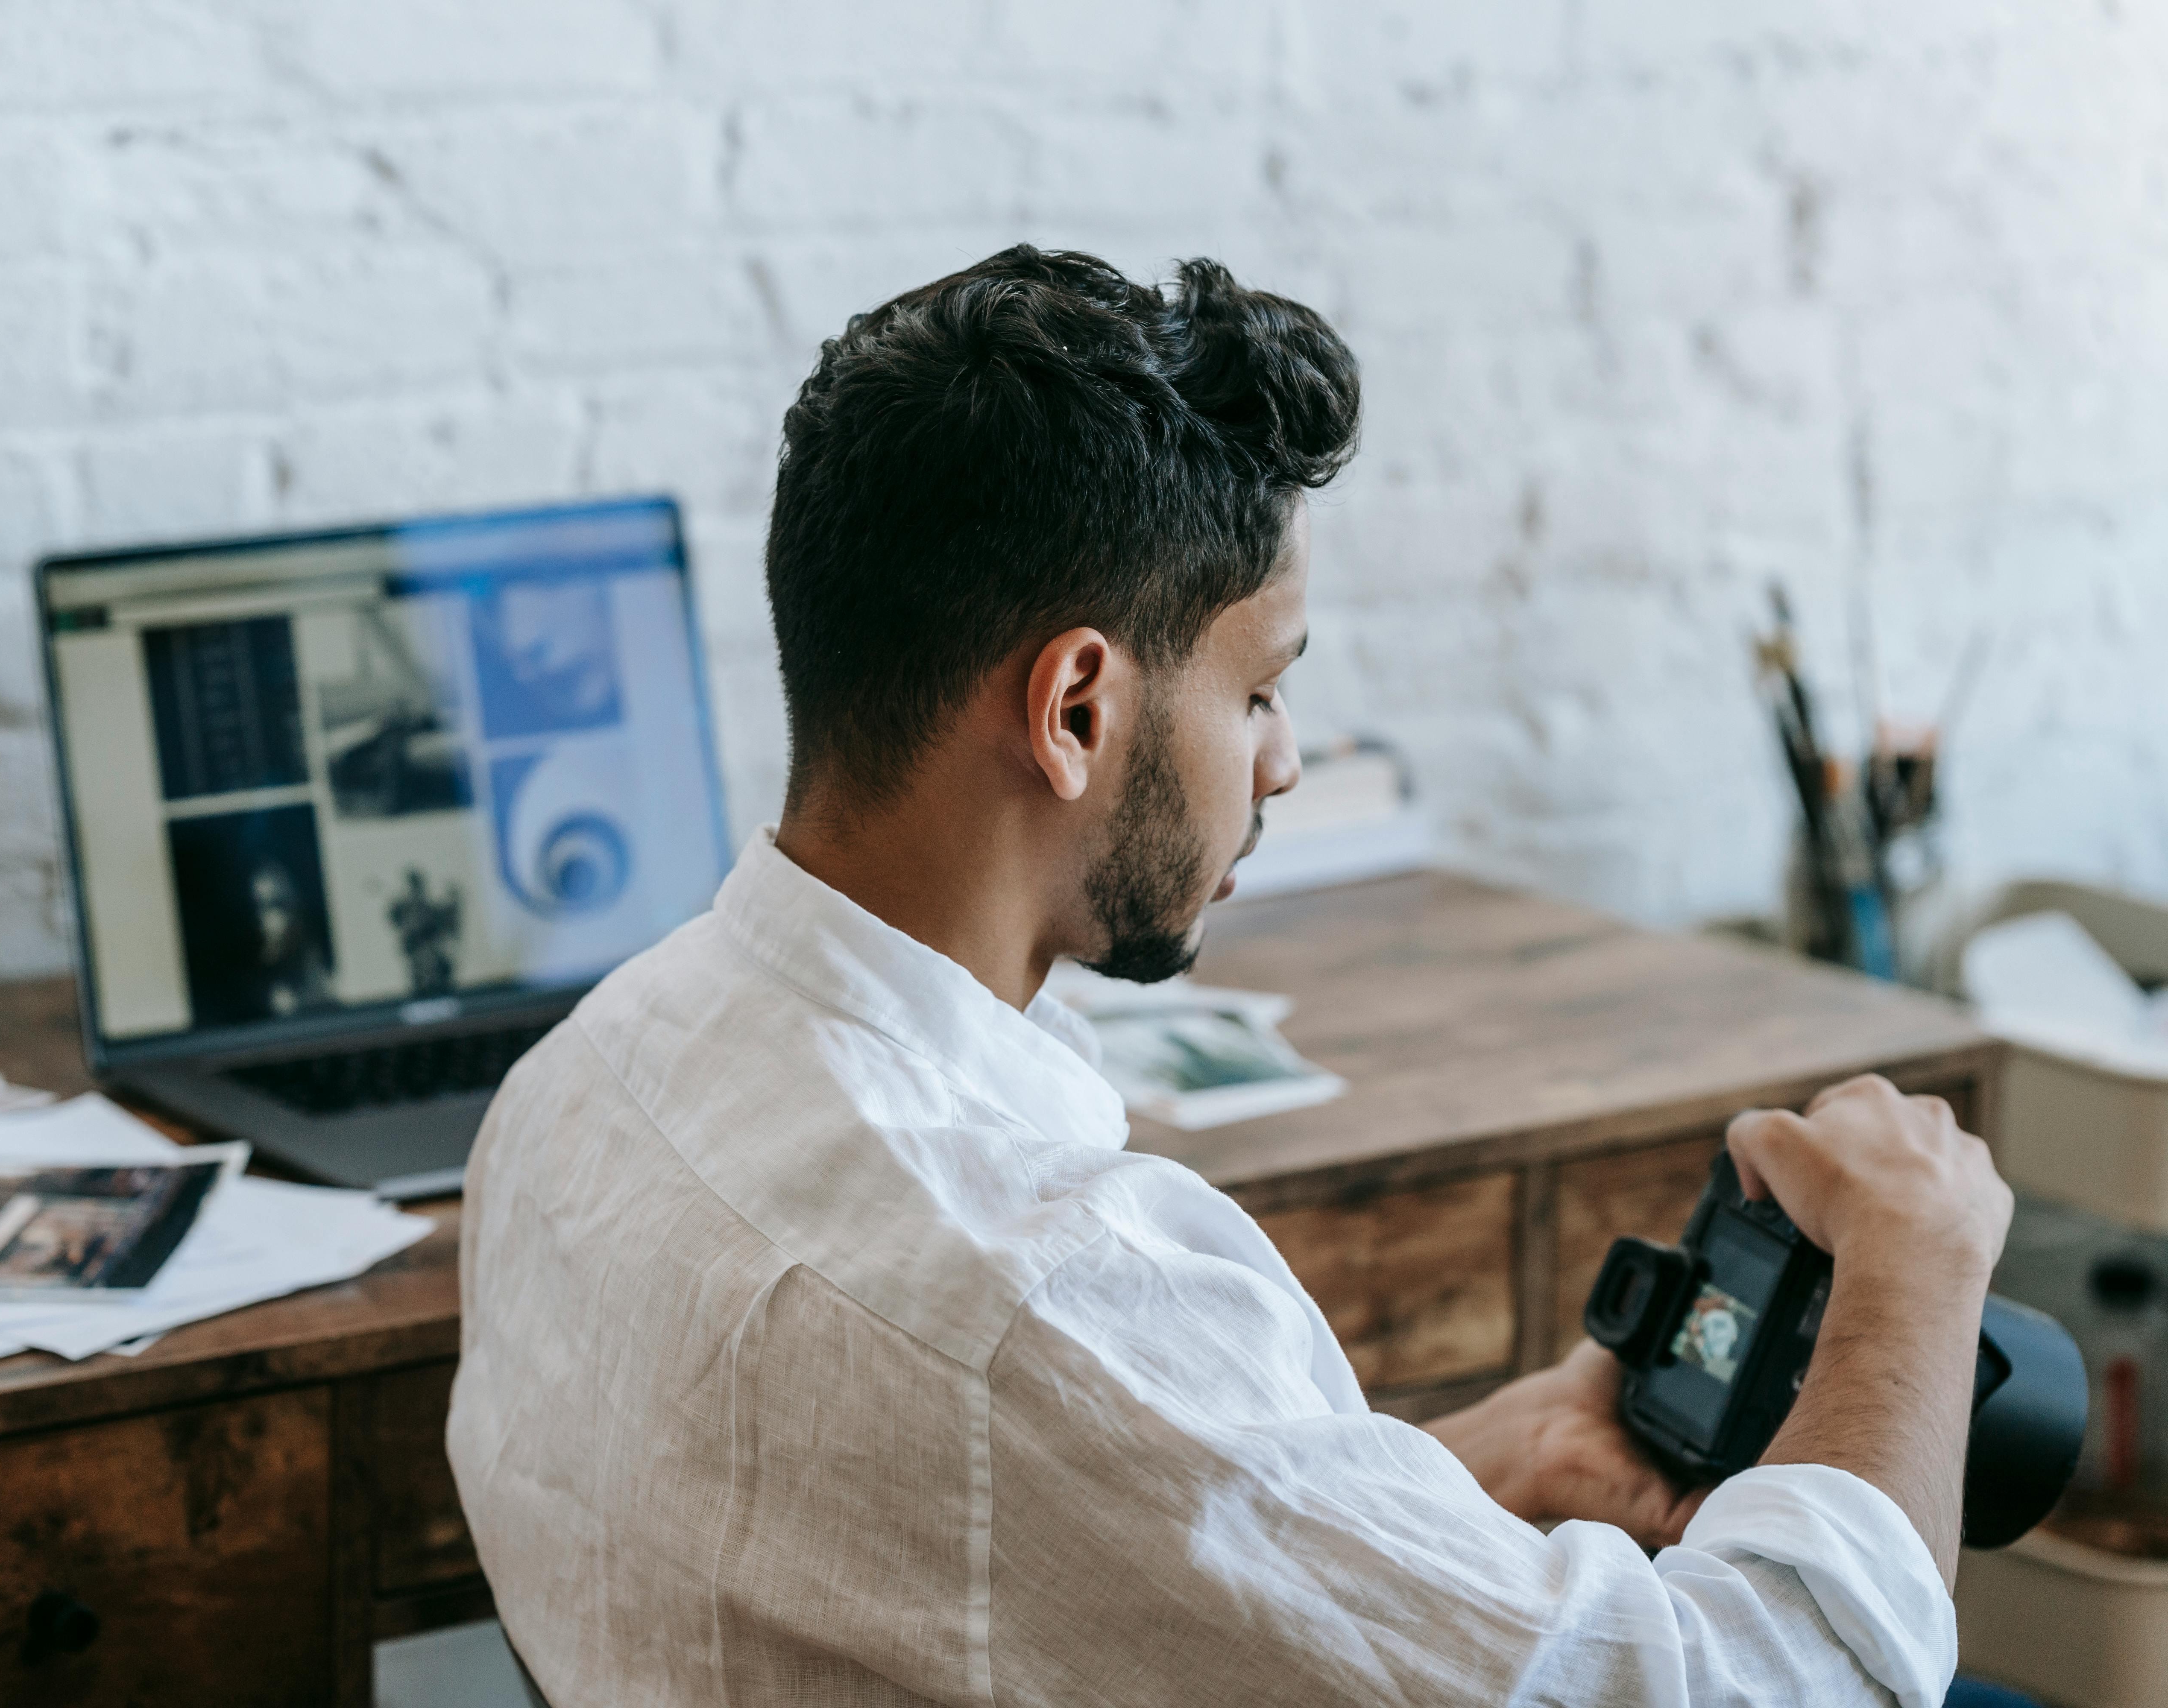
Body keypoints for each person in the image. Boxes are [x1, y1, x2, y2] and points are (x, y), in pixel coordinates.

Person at [448, 246, 2012, 1706]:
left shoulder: (590, 1077)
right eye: (1259, 688)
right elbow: (1767, 1682)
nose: (1284, 759)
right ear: (1075, 708)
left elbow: (1034, 1557)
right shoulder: (1047, 1297)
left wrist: (1490, 1456)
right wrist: (1915, 1267)